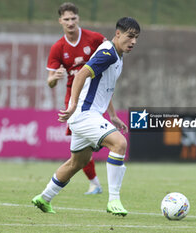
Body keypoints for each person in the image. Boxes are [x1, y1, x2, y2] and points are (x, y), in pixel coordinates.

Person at [32, 17, 140, 216]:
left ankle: (44, 197)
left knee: (77, 163)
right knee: (119, 144)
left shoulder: (117, 55)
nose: (133, 42)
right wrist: (73, 105)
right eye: (130, 36)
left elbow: (104, 88)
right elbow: (81, 74)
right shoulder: (108, 53)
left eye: (136, 38)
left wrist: (113, 115)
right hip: (84, 114)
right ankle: (114, 200)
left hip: (89, 115)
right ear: (118, 34)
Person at [46, 2, 106, 194]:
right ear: (60, 21)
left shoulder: (94, 39)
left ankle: (96, 182)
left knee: (86, 143)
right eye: (66, 19)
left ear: (78, 18)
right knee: (81, 143)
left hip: (96, 95)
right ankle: (95, 183)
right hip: (73, 100)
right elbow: (50, 82)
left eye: (73, 18)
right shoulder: (58, 47)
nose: (70, 22)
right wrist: (54, 78)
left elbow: (112, 52)